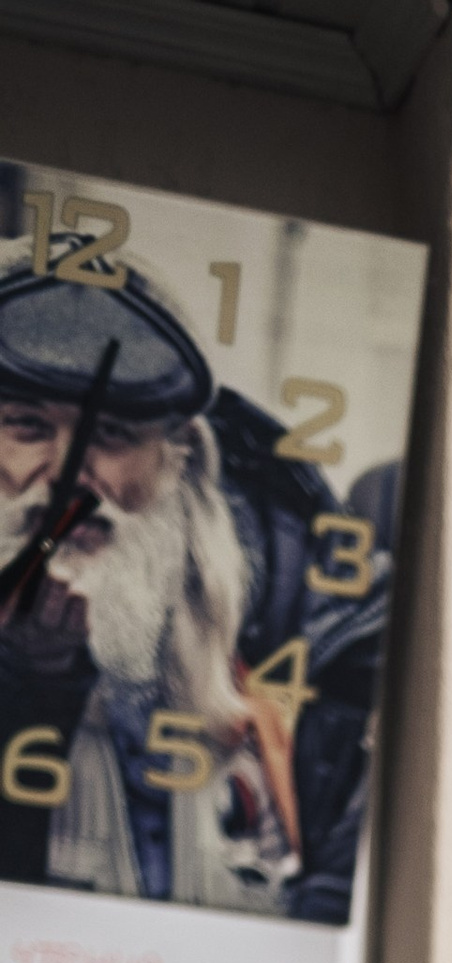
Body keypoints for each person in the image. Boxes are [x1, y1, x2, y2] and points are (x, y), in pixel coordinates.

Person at [0, 263, 391, 920]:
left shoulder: (294, 626)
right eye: (27, 426)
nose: (68, 478)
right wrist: (29, 684)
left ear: (178, 454)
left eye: (109, 434)